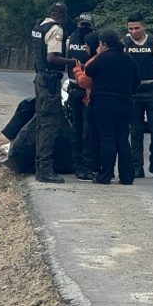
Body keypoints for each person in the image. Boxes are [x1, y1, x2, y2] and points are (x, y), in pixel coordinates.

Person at [85, 30, 140, 184]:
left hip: (104, 103)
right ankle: (127, 176)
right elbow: (136, 83)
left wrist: (98, 54)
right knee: (122, 139)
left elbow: (88, 71)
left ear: (104, 44)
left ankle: (106, 175)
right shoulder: (129, 59)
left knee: (107, 138)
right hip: (125, 103)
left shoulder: (102, 58)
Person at [31, 2, 77, 183]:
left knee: (41, 123)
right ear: (63, 17)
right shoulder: (56, 29)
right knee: (50, 124)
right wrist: (71, 62)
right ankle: (45, 170)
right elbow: (52, 57)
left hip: (39, 79)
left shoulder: (39, 27)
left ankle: (39, 166)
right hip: (50, 81)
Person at [124, 13, 153, 179]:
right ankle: (137, 167)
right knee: (135, 132)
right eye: (130, 29)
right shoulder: (125, 43)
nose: (134, 31)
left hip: (152, 90)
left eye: (137, 28)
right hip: (134, 91)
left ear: (144, 26)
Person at [66, 12, 97, 181]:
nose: (84, 28)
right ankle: (78, 166)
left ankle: (88, 165)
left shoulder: (95, 40)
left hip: (89, 90)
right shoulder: (71, 39)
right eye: (82, 24)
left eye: (87, 25)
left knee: (88, 131)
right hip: (73, 87)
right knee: (76, 129)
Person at [70, 32, 101, 179]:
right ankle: (87, 166)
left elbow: (84, 81)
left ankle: (86, 166)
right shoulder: (102, 58)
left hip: (89, 96)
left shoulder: (95, 60)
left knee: (85, 132)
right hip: (85, 95)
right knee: (83, 131)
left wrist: (76, 68)